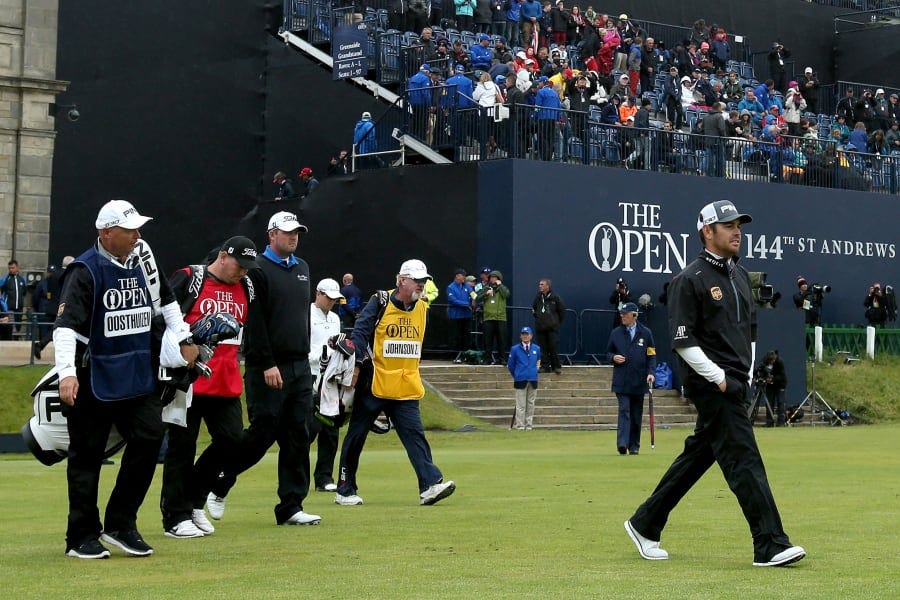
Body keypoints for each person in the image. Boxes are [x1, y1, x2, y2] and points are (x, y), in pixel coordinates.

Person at [624, 200, 805, 568]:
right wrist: (719, 378)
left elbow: (750, 331)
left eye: (739, 224)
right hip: (713, 385)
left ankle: (645, 523)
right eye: (728, 225)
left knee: (698, 456)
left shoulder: (739, 273)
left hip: (737, 381)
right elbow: (683, 341)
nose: (737, 231)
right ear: (707, 231)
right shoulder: (689, 279)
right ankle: (769, 543)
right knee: (744, 459)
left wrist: (748, 371)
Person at [55, 200, 198, 559]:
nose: (137, 235)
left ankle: (121, 523)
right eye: (130, 229)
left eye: (138, 229)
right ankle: (81, 536)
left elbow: (167, 300)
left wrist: (181, 336)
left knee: (150, 439)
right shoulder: (85, 270)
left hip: (137, 373)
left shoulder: (141, 261)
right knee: (86, 458)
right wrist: (67, 374)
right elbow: (65, 327)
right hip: (93, 375)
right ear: (106, 232)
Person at [205, 211, 321, 527]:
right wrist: (267, 362)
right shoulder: (256, 271)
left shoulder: (303, 268)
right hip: (267, 366)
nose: (293, 237)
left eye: (296, 232)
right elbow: (254, 321)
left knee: (299, 435)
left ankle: (291, 506)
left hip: (298, 365)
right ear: (271, 235)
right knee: (261, 434)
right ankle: (221, 481)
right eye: (286, 232)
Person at [334, 259, 456, 506]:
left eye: (424, 281)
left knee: (415, 435)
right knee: (356, 436)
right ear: (402, 280)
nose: (421, 285)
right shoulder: (379, 301)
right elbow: (360, 334)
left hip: (406, 385)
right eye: (416, 280)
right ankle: (345, 489)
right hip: (375, 381)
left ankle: (430, 485)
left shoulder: (423, 308)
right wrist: (356, 368)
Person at [160, 236, 257, 538]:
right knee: (181, 449)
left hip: (225, 380)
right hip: (188, 381)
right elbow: (163, 318)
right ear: (224, 256)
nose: (243, 272)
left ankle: (195, 500)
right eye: (240, 265)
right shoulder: (190, 278)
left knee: (232, 442)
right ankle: (175, 517)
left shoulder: (246, 287)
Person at [308, 278, 345, 492]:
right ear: (318, 294)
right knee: (310, 428)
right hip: (310, 376)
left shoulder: (335, 318)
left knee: (331, 430)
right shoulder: (305, 316)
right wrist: (318, 358)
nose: (331, 302)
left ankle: (324, 478)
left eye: (334, 299)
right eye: (329, 298)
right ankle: (298, 476)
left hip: (330, 379)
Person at [606, 302, 655, 454]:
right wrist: (613, 357)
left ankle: (634, 446)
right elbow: (607, 353)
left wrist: (651, 372)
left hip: (639, 381)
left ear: (634, 315)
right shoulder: (616, 333)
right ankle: (622, 443)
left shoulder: (646, 333)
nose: (622, 316)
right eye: (621, 313)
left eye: (625, 314)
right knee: (624, 410)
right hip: (622, 380)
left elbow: (651, 355)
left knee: (636, 414)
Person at [507, 326, 540, 430]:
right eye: (523, 334)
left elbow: (538, 362)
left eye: (527, 334)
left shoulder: (536, 349)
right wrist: (517, 375)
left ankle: (529, 425)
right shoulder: (515, 349)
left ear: (531, 336)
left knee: (531, 403)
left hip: (533, 379)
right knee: (521, 404)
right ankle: (520, 425)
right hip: (520, 379)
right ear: (521, 336)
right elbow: (511, 365)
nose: (525, 336)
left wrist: (534, 372)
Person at [476, 269, 510, 364]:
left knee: (501, 340)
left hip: (500, 318)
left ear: (499, 279)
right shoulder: (486, 288)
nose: (493, 279)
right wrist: (485, 294)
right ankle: (487, 359)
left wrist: (500, 285)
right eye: (491, 277)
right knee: (488, 340)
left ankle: (502, 359)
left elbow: (506, 294)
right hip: (488, 318)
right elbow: (477, 298)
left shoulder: (502, 288)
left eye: (495, 277)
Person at [532, 278, 565, 374]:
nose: (540, 286)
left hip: (552, 328)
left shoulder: (555, 298)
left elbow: (562, 311)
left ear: (548, 286)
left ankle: (556, 367)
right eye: (539, 284)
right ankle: (544, 366)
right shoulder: (538, 297)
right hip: (540, 328)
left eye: (542, 284)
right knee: (543, 348)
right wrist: (538, 318)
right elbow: (534, 308)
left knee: (553, 347)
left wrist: (556, 322)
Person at [754, 350, 786, 427]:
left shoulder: (780, 362)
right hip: (770, 386)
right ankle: (769, 422)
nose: (772, 362)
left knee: (780, 403)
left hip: (780, 384)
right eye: (771, 361)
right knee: (769, 403)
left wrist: (773, 379)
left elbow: (781, 376)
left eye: (773, 361)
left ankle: (781, 422)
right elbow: (760, 370)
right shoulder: (764, 362)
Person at [447, 268, 474, 360]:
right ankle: (456, 356)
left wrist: (476, 300)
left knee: (466, 336)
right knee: (456, 336)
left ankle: (466, 356)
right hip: (456, 316)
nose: (464, 277)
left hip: (467, 315)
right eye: (463, 275)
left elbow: (474, 295)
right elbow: (452, 300)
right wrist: (466, 304)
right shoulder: (451, 287)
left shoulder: (467, 286)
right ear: (457, 276)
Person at [0, 259, 27, 335]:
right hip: (8, 308)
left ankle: (16, 341)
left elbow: (24, 292)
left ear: (17, 267)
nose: (11, 270)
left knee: (18, 326)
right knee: (9, 327)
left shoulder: (22, 279)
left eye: (13, 268)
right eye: (9, 268)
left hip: (19, 308)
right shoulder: (5, 279)